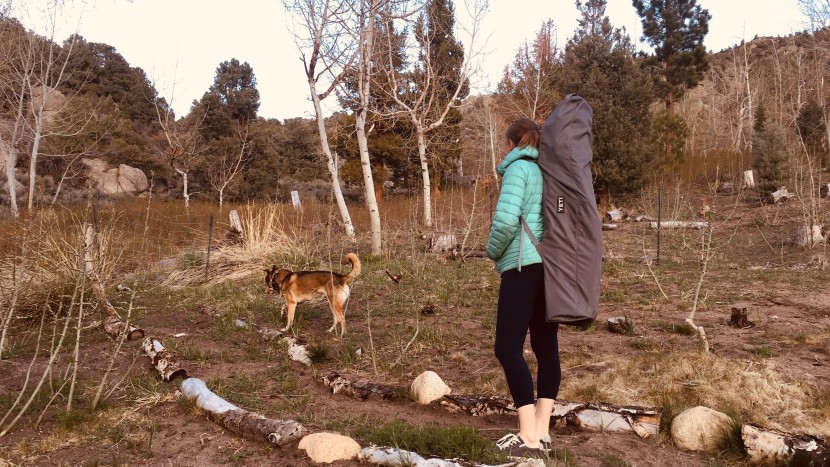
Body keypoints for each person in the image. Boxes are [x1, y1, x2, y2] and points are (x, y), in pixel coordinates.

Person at [486, 117, 560, 458]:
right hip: (549, 266)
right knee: (545, 346)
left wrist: (491, 251)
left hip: (521, 266)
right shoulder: (549, 168)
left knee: (507, 347)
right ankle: (543, 432)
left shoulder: (518, 169)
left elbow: (505, 221)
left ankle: (527, 436)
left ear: (511, 143)